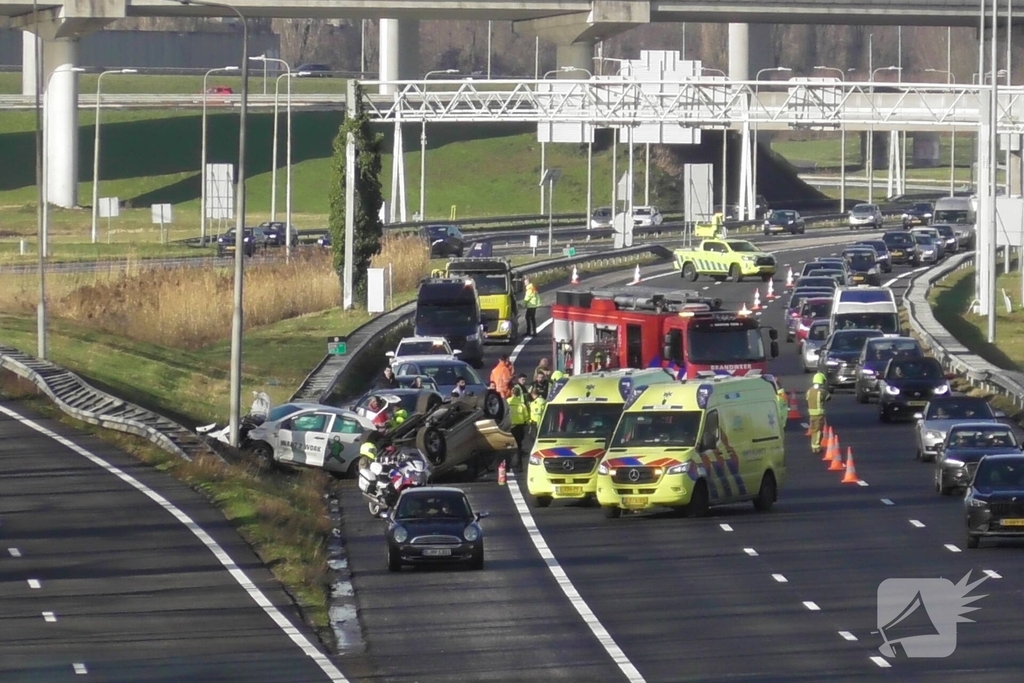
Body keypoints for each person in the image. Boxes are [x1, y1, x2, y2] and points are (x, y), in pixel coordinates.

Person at [508, 383, 530, 472]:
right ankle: (519, 466)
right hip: (519, 428)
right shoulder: (522, 405)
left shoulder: (507, 402)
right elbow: (527, 418)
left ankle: (508, 466)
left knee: (508, 447)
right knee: (519, 447)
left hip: (509, 427)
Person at [806, 373, 829, 454]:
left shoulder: (809, 391)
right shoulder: (822, 391)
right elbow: (828, 397)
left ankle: (813, 445)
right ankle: (816, 446)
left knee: (813, 429)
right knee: (818, 430)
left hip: (811, 414)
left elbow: (807, 399)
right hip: (819, 414)